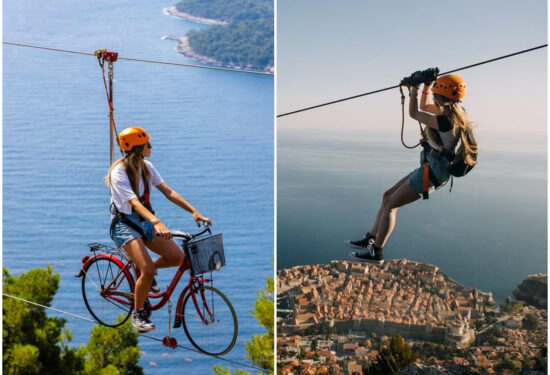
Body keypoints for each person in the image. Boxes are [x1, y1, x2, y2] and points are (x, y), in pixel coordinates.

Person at [347, 75, 478, 264]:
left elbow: (415, 113)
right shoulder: (455, 112)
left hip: (433, 172)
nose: (432, 97)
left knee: (391, 206)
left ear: (440, 95)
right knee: (387, 196)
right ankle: (371, 237)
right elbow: (424, 108)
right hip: (431, 167)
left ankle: (377, 251)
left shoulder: (447, 120)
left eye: (434, 92)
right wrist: (425, 85)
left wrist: (415, 88)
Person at [106, 126, 212, 332]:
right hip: (124, 224)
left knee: (177, 258)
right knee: (147, 269)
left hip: (144, 220)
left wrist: (194, 211)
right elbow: (134, 203)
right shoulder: (119, 172)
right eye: (147, 144)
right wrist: (156, 223)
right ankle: (138, 315)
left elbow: (168, 191)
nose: (151, 147)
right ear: (137, 148)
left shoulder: (147, 167)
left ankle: (148, 274)